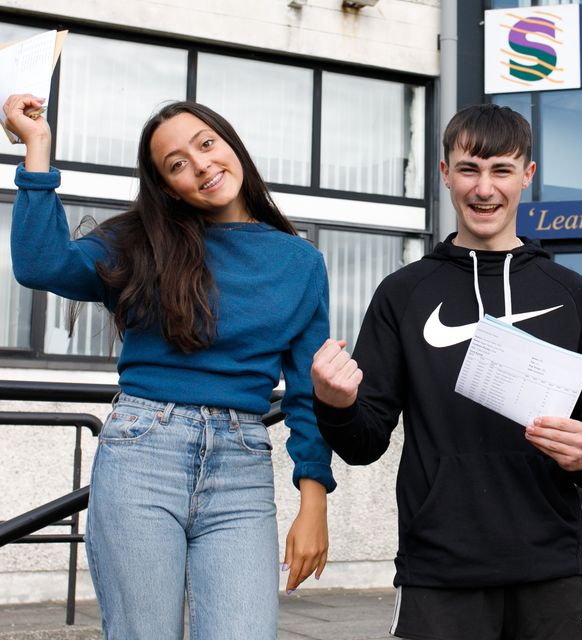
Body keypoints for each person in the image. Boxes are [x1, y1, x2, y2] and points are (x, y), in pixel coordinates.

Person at [4, 94, 335, 640]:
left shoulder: (300, 262)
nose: (201, 164)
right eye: (177, 163)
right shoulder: (139, 242)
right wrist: (37, 148)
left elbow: (306, 392)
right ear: (167, 187)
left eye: (206, 144)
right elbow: (41, 264)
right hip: (141, 454)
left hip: (242, 468)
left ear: (232, 145)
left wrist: (313, 500)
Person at [310, 103, 582, 640]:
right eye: (469, 169)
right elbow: (365, 442)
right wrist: (335, 403)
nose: (484, 188)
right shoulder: (403, 293)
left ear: (527, 176)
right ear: (445, 174)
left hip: (550, 565)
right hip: (439, 567)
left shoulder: (574, 296)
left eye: (501, 170)